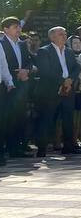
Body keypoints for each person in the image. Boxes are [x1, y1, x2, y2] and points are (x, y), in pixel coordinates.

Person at [32, 26, 80, 157]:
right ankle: (42, 148)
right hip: (50, 90)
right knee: (47, 118)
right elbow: (45, 70)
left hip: (68, 89)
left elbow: (76, 67)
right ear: (52, 37)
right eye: (61, 34)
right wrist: (62, 81)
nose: (64, 36)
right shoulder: (44, 51)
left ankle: (68, 146)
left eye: (65, 34)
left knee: (68, 118)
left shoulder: (69, 51)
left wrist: (70, 80)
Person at [1, 16, 35, 159]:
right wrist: (16, 73)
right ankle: (5, 147)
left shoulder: (22, 44)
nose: (19, 30)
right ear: (5, 29)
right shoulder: (1, 44)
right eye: (15, 27)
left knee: (19, 117)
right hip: (6, 86)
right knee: (6, 117)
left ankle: (16, 148)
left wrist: (25, 70)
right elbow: (3, 65)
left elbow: (29, 61)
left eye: (19, 27)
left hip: (22, 85)